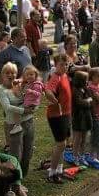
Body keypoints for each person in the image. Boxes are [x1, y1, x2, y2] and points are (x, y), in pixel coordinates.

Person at [0, 63, 35, 177]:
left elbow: (31, 98)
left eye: (13, 72)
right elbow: (7, 107)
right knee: (16, 155)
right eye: (7, 73)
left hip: (29, 122)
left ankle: (23, 175)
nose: (10, 75)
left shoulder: (20, 85)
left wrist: (32, 106)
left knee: (28, 151)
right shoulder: (1, 90)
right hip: (14, 125)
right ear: (2, 75)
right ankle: (14, 180)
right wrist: (24, 110)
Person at [44, 54, 72, 184]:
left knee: (64, 143)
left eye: (66, 64)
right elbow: (48, 90)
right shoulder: (55, 77)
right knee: (60, 144)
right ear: (56, 65)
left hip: (65, 113)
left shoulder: (64, 76)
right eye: (62, 64)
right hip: (56, 115)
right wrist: (52, 97)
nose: (64, 67)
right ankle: (52, 172)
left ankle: (59, 170)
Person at [10, 65, 43, 135]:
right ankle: (20, 125)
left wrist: (31, 91)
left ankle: (17, 126)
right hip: (29, 103)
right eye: (27, 75)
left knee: (16, 111)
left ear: (35, 75)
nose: (29, 76)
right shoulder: (29, 84)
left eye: (31, 74)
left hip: (32, 104)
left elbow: (39, 94)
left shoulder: (37, 84)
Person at [69, 71, 92, 167]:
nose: (87, 82)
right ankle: (75, 157)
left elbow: (91, 98)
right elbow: (79, 103)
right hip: (78, 117)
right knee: (77, 139)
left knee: (84, 138)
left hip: (86, 116)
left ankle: (82, 155)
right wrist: (88, 101)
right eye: (86, 80)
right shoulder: (75, 91)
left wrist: (88, 100)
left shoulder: (85, 89)